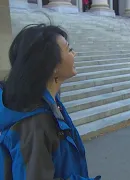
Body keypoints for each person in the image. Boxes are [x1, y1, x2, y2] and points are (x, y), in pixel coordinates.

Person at [0, 24, 101, 180]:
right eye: (69, 49)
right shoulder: (34, 124)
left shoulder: (49, 101)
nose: (75, 53)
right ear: (52, 65)